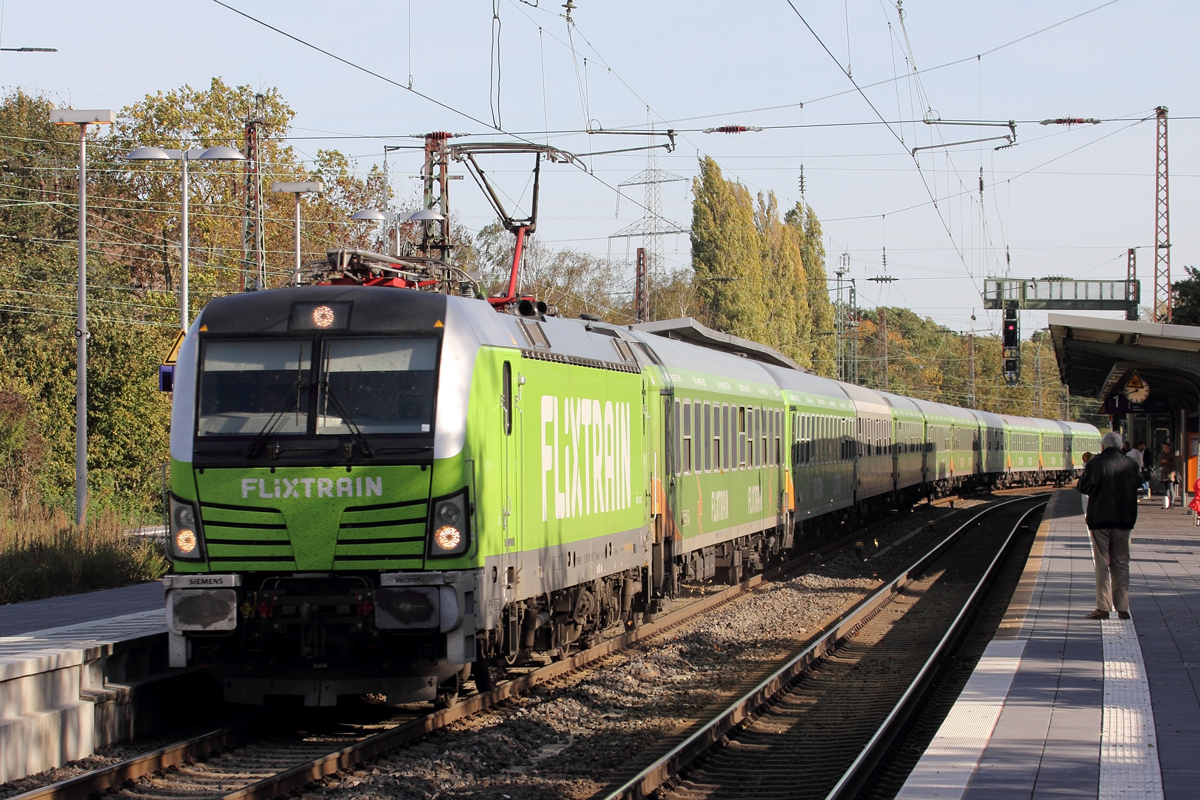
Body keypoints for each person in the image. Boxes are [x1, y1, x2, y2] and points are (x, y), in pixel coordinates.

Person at [1077, 431, 1140, 620]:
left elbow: (1083, 487)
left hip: (1100, 520)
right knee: (1121, 563)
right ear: (1120, 446)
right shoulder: (1131, 464)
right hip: (1124, 520)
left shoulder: (1095, 464)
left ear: (1103, 446)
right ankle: (1122, 608)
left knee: (1102, 564)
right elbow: (1138, 483)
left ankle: (1103, 608)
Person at [1160, 443, 1179, 508]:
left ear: (1169, 448)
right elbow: (1160, 463)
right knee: (1165, 488)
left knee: (1170, 487)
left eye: (1166, 447)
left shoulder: (1171, 454)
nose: (1164, 449)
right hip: (1164, 473)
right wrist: (1162, 462)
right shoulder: (1163, 454)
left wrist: (1167, 461)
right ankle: (1166, 503)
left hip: (1170, 473)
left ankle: (1172, 503)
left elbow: (1174, 464)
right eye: (1164, 447)